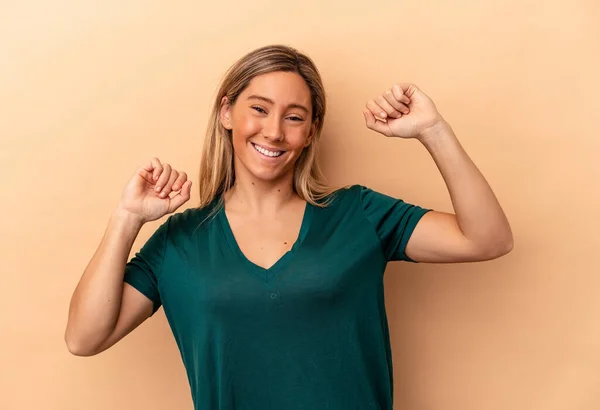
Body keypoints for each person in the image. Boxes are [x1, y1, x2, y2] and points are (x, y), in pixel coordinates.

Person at [65, 44, 513, 409]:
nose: (274, 131)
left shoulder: (358, 215)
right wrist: (127, 219)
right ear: (227, 113)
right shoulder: (179, 242)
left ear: (311, 131)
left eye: (295, 116)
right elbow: (84, 339)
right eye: (258, 109)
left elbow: (487, 238)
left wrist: (432, 129)